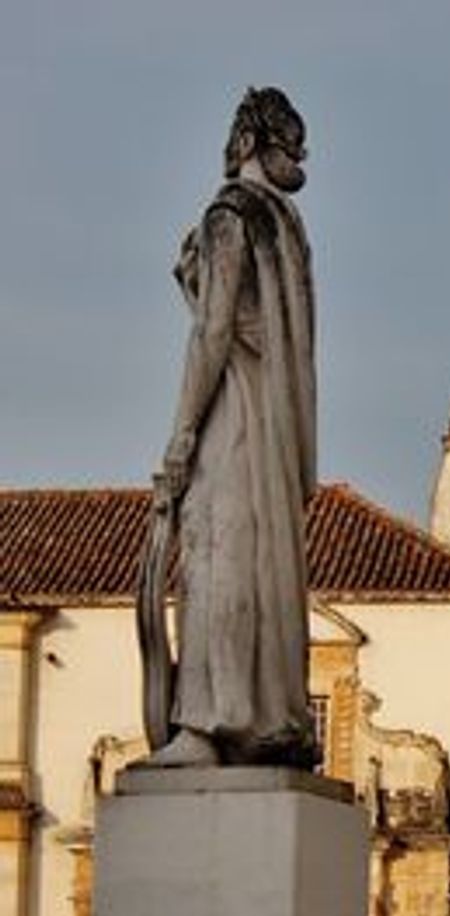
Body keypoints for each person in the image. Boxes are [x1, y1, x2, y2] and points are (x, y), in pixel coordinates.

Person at [139, 87, 318, 769]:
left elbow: (212, 331)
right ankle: (271, 717)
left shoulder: (230, 216)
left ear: (240, 143)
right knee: (264, 564)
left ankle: (208, 724)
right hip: (276, 422)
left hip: (233, 411)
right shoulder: (287, 226)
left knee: (217, 557)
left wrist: (182, 434)